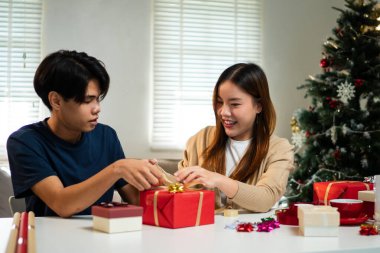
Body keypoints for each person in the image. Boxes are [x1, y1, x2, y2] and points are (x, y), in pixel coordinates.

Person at [7, 50, 162, 217]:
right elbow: (61, 203)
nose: (97, 108)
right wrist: (118, 168)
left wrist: (157, 181)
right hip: (49, 238)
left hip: (102, 235)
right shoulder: (25, 142)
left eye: (98, 99)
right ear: (56, 101)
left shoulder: (106, 136)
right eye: (88, 100)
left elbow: (135, 199)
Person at [175, 63, 294, 213]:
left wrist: (218, 180)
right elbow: (178, 188)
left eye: (235, 104)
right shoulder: (201, 139)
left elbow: (265, 199)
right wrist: (153, 174)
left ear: (259, 106)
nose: (223, 112)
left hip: (252, 236)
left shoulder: (279, 149)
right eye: (220, 102)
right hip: (203, 235)